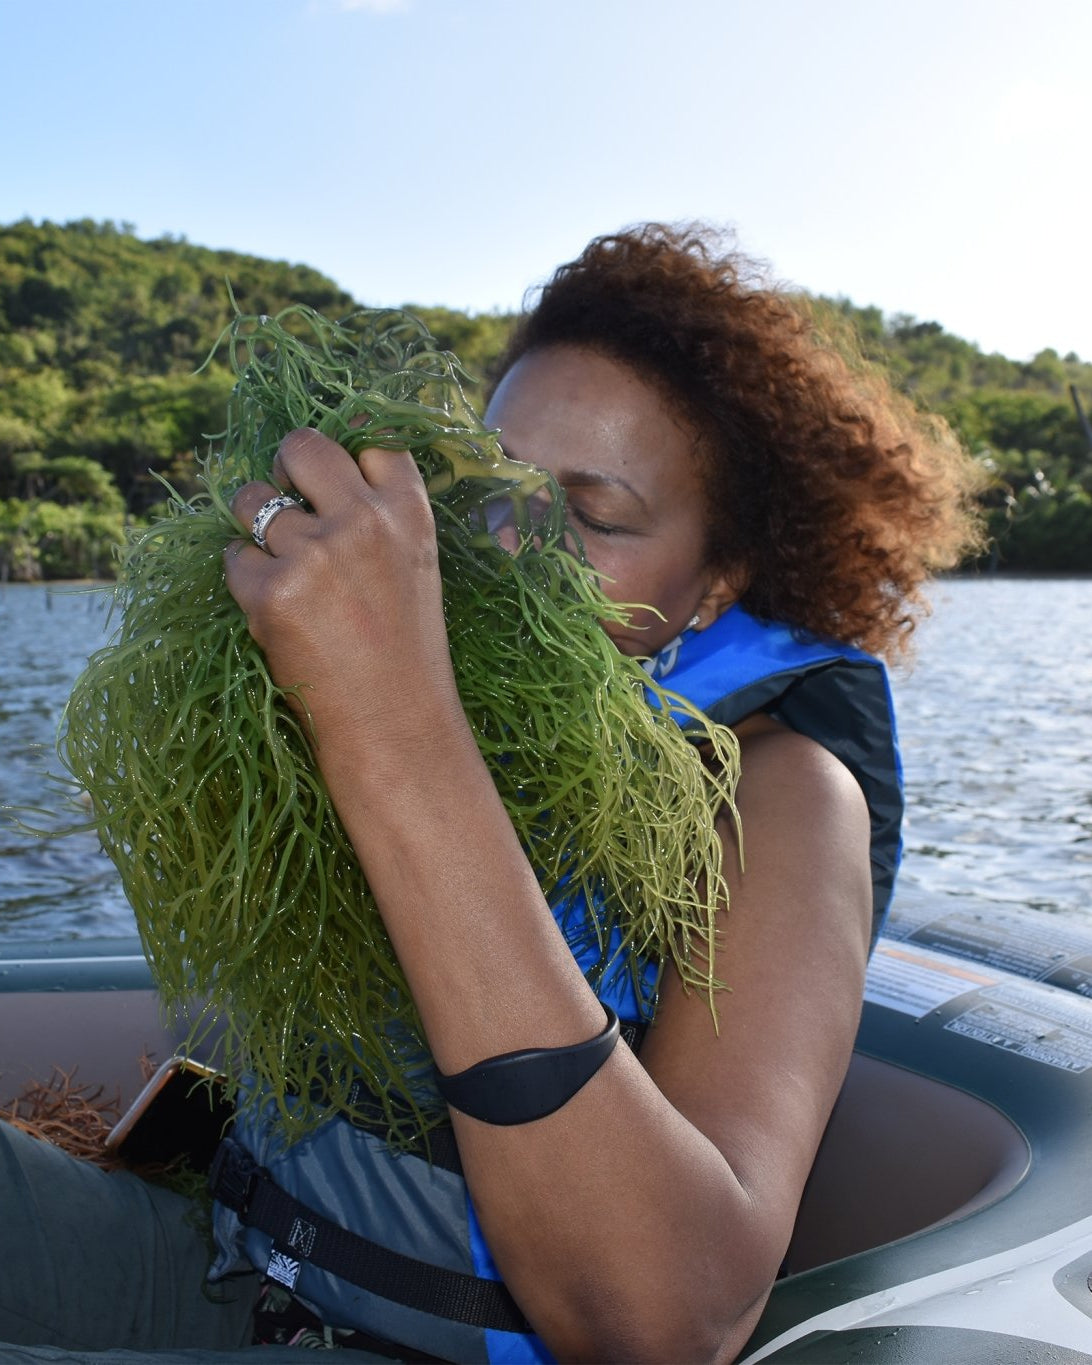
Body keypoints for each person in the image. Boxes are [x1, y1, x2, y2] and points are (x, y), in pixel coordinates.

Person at [0, 223, 982, 1364]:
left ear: (717, 584)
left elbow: (668, 1320)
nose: (516, 550)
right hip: (227, 1268)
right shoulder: (460, 710)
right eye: (492, 495)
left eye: (597, 516)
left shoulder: (782, 798)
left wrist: (393, 726)